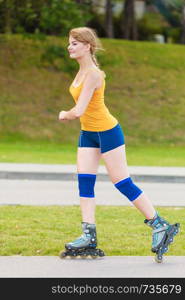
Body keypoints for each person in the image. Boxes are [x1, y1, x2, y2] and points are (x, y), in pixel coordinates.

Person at [58, 27, 179, 262]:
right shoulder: (81, 72)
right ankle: (88, 236)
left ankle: (159, 224)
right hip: (89, 134)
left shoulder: (94, 74)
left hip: (108, 132)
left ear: (87, 46)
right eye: (69, 43)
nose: (69, 46)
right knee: (84, 180)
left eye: (74, 43)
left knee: (122, 182)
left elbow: (80, 110)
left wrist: (65, 113)